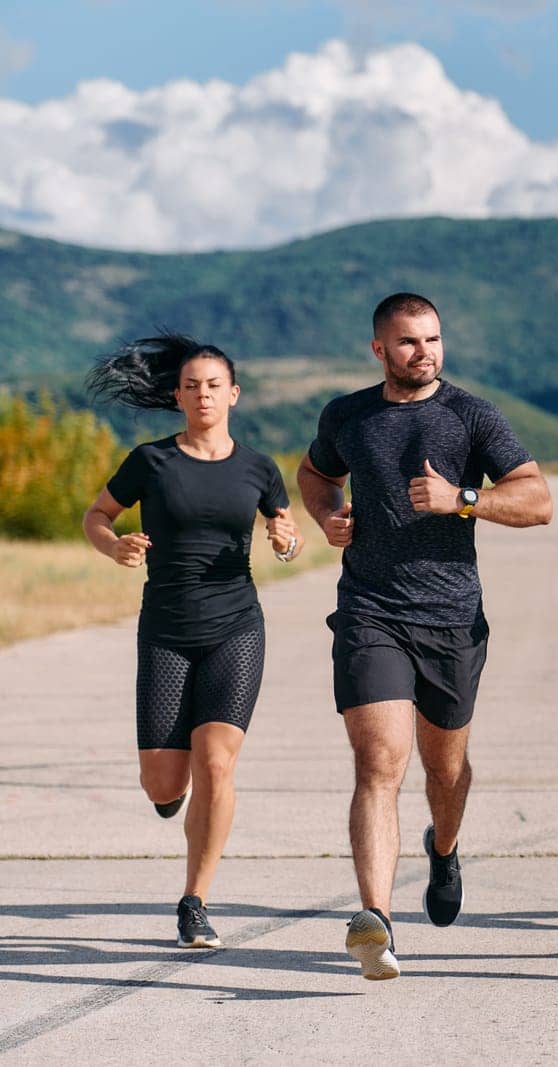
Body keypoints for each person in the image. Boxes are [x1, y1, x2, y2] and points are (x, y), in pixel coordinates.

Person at [296, 292, 553, 980]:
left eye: (433, 339)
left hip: (450, 619)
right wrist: (326, 514)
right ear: (379, 349)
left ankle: (444, 846)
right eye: (409, 341)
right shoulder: (347, 415)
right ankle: (374, 919)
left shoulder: (470, 415)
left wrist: (463, 499)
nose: (425, 352)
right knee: (380, 760)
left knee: (446, 769)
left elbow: (538, 498)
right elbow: (316, 473)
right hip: (370, 610)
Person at [82, 333, 303, 949]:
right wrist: (115, 544)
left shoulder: (259, 468)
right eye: (191, 385)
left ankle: (195, 902)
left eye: (213, 385)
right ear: (176, 396)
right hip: (167, 632)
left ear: (233, 394)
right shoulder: (150, 462)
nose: (202, 394)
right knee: (164, 782)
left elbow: (286, 535)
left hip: (237, 626)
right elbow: (95, 517)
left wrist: (286, 542)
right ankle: (170, 797)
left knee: (216, 764)